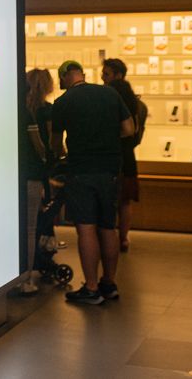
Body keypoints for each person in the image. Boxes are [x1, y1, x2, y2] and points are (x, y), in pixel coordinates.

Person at [51, 60, 135, 305]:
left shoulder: (63, 102)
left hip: (81, 170)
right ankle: (109, 283)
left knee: (86, 227)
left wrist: (63, 153)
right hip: (110, 169)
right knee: (107, 227)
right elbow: (129, 128)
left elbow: (56, 143)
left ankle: (91, 287)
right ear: (83, 74)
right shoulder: (109, 93)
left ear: (66, 77)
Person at [16, 70, 53, 294]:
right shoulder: (34, 114)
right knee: (30, 227)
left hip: (14, 175)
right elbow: (40, 146)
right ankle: (25, 278)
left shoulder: (12, 112)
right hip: (32, 174)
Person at [107, 77, 148, 252]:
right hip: (128, 159)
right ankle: (123, 238)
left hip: (111, 159)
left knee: (109, 202)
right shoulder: (137, 109)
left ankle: (109, 237)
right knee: (125, 203)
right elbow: (137, 136)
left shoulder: (110, 110)